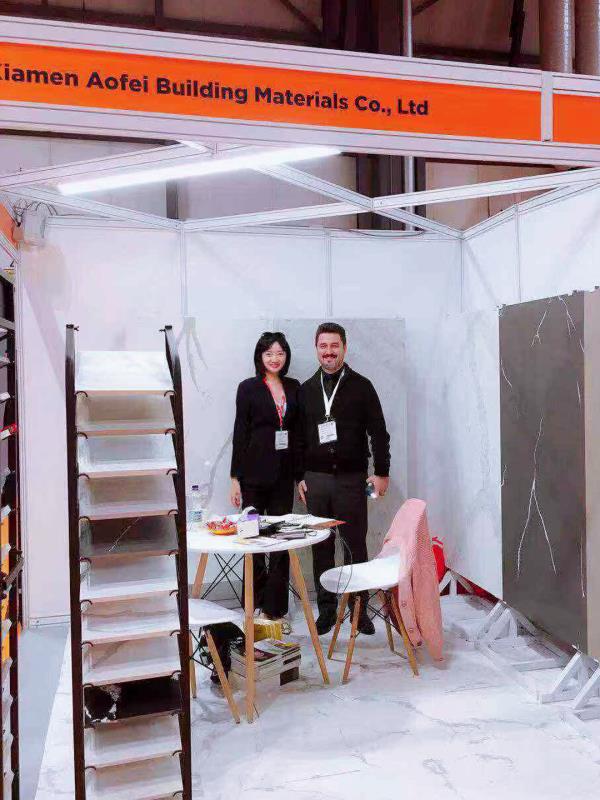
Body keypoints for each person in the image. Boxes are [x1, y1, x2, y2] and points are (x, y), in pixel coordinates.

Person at [298, 322, 390, 636]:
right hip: (316, 481)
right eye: (323, 346)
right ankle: (326, 611)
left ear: (344, 348)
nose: (329, 352)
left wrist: (381, 472)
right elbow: (299, 438)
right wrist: (300, 476)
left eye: (334, 346)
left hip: (352, 480)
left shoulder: (362, 386)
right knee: (321, 547)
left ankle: (359, 612)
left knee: (354, 546)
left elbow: (379, 432)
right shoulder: (306, 390)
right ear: (316, 349)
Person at [230, 331, 302, 619]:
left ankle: (275, 609)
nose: (275, 358)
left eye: (280, 353)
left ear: (286, 357)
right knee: (253, 538)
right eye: (269, 353)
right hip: (252, 477)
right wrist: (235, 478)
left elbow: (298, 435)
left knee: (280, 541)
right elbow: (240, 432)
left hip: (283, 477)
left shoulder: (294, 387)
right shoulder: (247, 388)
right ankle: (254, 603)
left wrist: (300, 476)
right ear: (260, 356)